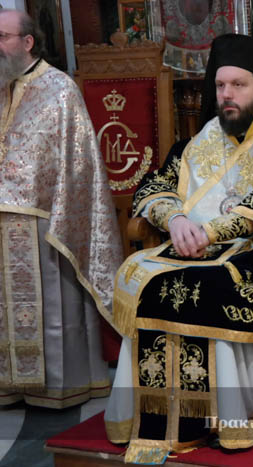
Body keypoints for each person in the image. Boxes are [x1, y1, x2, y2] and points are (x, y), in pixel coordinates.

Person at [103, 33, 253, 462]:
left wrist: (211, 232)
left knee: (204, 286)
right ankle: (155, 417)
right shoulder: (206, 135)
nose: (227, 94)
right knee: (142, 272)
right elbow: (156, 183)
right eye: (221, 85)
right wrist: (175, 220)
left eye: (238, 85)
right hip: (187, 243)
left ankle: (227, 415)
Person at [0, 9, 122, 408]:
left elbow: (80, 164)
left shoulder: (60, 89)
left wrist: (63, 215)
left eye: (2, 37)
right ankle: (8, 385)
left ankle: (57, 387)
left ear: (27, 42)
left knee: (53, 309)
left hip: (43, 222)